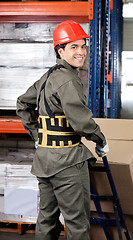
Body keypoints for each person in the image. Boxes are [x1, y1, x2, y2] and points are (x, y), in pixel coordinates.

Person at [16, 20, 109, 240]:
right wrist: (100, 140)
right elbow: (82, 123)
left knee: (46, 220)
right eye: (73, 47)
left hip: (44, 160)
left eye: (83, 46)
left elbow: (22, 103)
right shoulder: (68, 81)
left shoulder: (48, 76)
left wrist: (39, 136)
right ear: (60, 50)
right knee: (77, 225)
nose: (81, 52)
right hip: (67, 164)